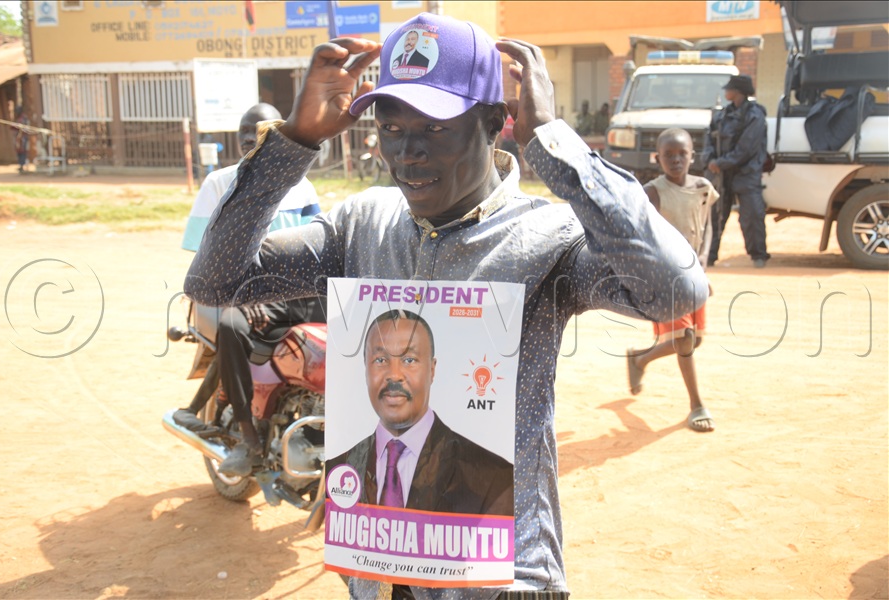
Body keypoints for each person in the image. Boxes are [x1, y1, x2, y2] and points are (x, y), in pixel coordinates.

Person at [185, 12, 707, 598]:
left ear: (493, 123)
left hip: (503, 579)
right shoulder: (362, 227)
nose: (407, 153)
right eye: (390, 128)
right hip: (380, 577)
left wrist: (557, 147)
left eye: (433, 129)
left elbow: (675, 291)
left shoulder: (547, 239)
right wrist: (294, 142)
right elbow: (216, 282)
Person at [173, 102, 325, 477]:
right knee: (231, 327)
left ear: (278, 140)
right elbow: (202, 256)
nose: (252, 145)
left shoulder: (301, 184)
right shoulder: (219, 183)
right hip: (237, 292)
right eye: (245, 138)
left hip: (293, 293)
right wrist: (243, 294)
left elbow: (320, 245)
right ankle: (248, 438)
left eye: (262, 138)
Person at [326, 309, 514, 516]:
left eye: (409, 360)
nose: (394, 375)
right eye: (380, 360)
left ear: (432, 370)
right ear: (365, 368)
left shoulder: (492, 479)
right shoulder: (337, 468)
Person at [627, 128, 718, 433]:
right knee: (685, 339)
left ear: (693, 155)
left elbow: (706, 231)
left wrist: (703, 267)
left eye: (682, 154)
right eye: (669, 155)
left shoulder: (704, 188)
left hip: (695, 274)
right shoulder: (652, 192)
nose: (676, 160)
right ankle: (697, 405)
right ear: (658, 158)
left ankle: (640, 359)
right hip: (665, 276)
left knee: (695, 338)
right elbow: (644, 238)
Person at [702, 74, 770, 268]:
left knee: (752, 215)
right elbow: (709, 139)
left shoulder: (755, 115)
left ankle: (758, 255)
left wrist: (720, 162)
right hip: (722, 174)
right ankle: (709, 255)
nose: (725, 92)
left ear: (738, 92)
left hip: (746, 172)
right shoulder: (722, 115)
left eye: (729, 89)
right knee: (714, 216)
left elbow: (746, 148)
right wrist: (710, 160)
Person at [14, 106, 29, 174]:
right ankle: (20, 165)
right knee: (19, 151)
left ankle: (22, 165)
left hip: (23, 137)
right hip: (19, 138)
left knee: (23, 151)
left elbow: (25, 128)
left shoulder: (24, 118)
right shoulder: (18, 118)